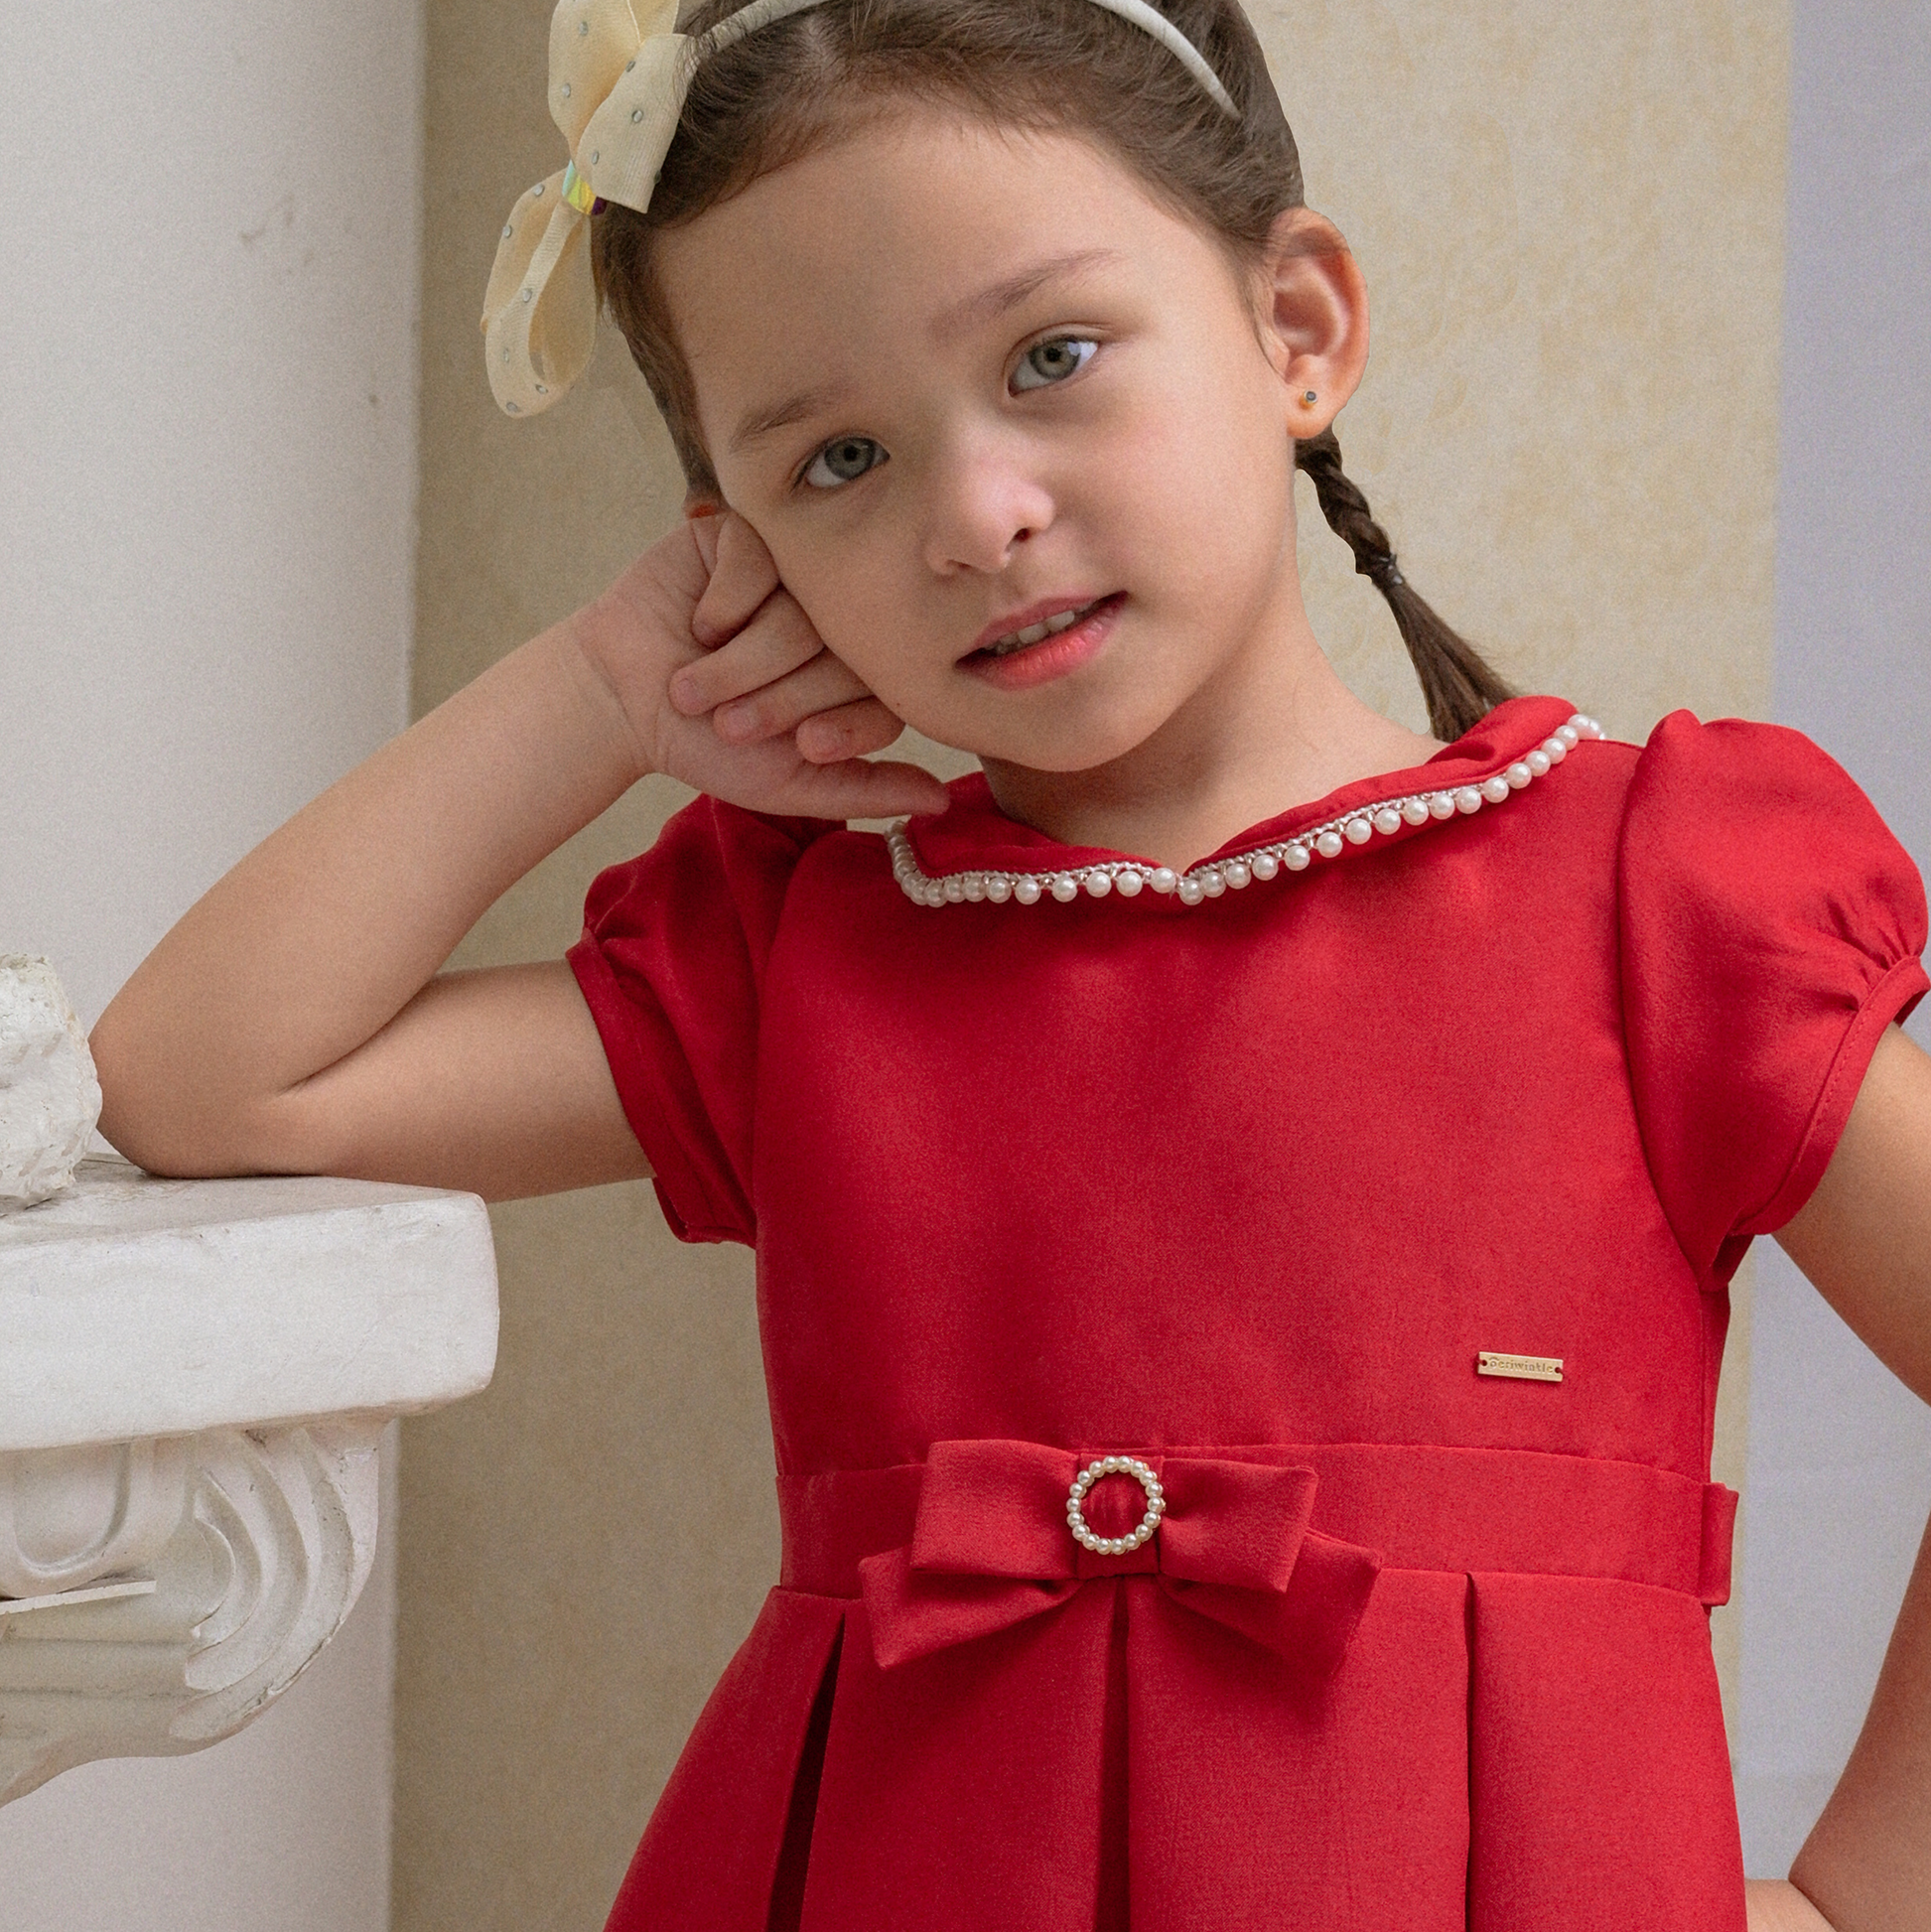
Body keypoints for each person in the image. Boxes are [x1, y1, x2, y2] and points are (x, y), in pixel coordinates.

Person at [88, 1, 1931, 1926]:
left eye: (1053, 357)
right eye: (838, 461)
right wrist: (600, 690)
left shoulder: (1641, 895)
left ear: (1296, 333)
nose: (977, 516)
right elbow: (206, 1079)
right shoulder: (813, 946)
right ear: (739, 549)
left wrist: (1867, 1893)